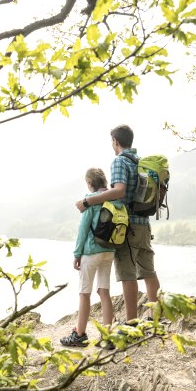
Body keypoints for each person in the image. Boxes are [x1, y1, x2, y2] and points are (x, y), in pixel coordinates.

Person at [75, 125, 160, 323]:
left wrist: (88, 201)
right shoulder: (140, 161)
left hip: (127, 227)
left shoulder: (120, 161)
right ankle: (156, 317)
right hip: (144, 224)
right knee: (149, 271)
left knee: (127, 274)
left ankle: (131, 323)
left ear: (115, 141)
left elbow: (119, 191)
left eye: (111, 141)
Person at [60, 168, 115, 347]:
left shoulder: (90, 201)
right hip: (109, 250)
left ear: (90, 184)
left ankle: (80, 334)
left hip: (91, 252)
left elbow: (83, 229)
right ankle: (107, 337)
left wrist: (77, 254)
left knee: (85, 293)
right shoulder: (114, 198)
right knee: (104, 292)